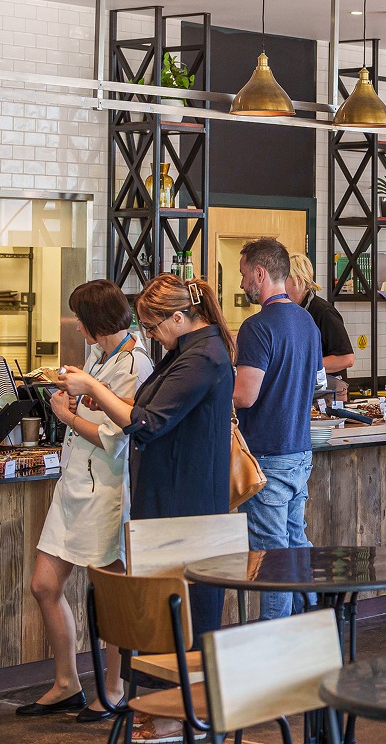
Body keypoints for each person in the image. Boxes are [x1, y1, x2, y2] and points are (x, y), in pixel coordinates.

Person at [58, 273, 235, 744]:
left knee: (184, 613)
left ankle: (181, 717)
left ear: (180, 316)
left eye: (154, 326)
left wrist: (92, 393)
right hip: (173, 497)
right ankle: (171, 713)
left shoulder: (204, 356)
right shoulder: (187, 352)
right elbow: (145, 407)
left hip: (188, 504)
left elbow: (148, 422)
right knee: (168, 609)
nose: (149, 335)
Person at [16, 280, 153, 721]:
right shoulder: (99, 354)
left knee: (111, 595)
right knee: (43, 585)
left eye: (79, 316)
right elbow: (93, 401)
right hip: (73, 486)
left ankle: (113, 688)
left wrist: (67, 415)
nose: (76, 323)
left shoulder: (135, 363)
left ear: (96, 321)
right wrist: (74, 391)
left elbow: (115, 439)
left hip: (106, 493)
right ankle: (66, 682)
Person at [234, 238, 323, 620]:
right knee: (294, 542)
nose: (241, 285)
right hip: (300, 451)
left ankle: (275, 642)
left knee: (271, 554)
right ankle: (316, 622)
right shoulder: (307, 321)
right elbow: (319, 383)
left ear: (260, 273)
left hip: (267, 455)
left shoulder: (256, 328)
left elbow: (245, 396)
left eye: (243, 276)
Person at [285, 252, 354, 400]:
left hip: (329, 394)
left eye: (283, 279)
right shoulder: (291, 312)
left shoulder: (324, 312)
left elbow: (346, 358)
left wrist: (303, 364)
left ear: (297, 280)